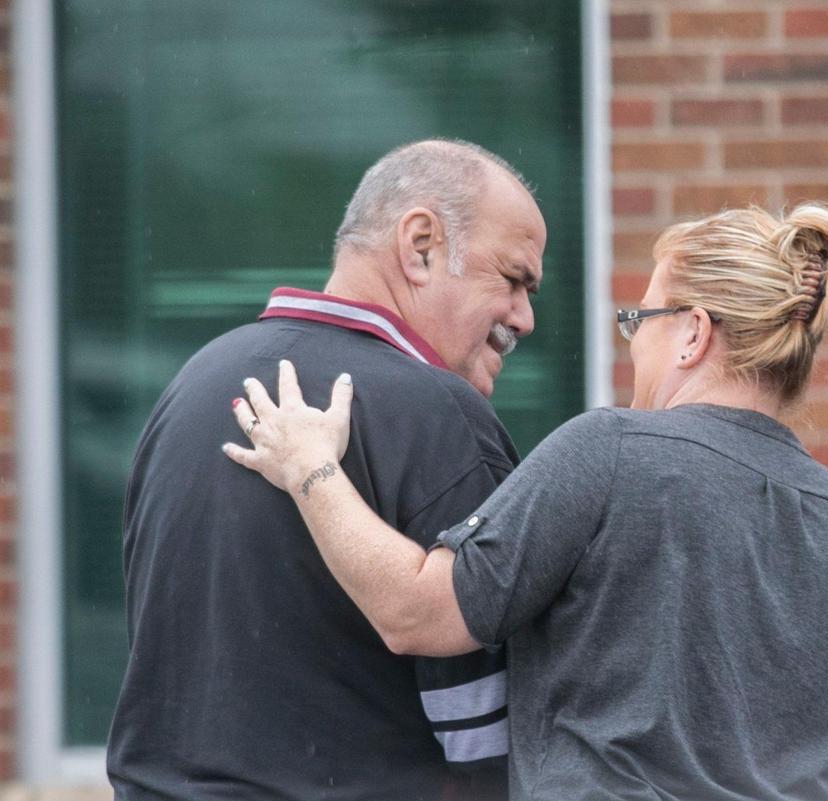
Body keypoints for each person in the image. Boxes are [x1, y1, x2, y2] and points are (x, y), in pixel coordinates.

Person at [224, 204, 828, 801]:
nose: (633, 348)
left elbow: (418, 613)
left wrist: (312, 468)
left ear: (693, 332)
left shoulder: (614, 450)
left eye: (639, 321)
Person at [108, 139, 546, 801]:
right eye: (514, 278)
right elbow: (487, 745)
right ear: (421, 245)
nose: (526, 316)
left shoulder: (193, 388)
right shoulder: (439, 416)